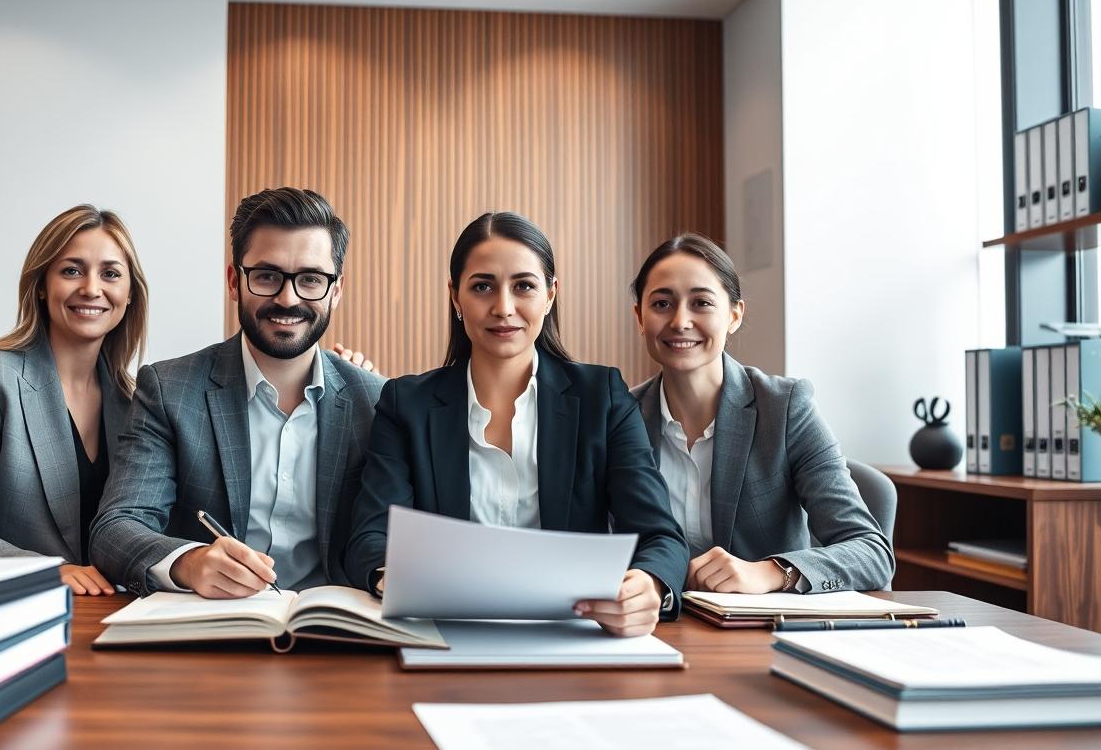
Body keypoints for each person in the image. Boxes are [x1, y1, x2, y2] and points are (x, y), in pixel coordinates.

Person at [344, 212, 689, 637]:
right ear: (455, 297)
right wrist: (390, 576)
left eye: (523, 286)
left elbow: (661, 538)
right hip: (442, 633)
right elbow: (369, 537)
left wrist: (648, 585)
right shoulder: (406, 404)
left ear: (550, 295)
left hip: (573, 637)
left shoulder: (603, 397)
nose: (503, 307)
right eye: (482, 286)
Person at [90, 187, 385, 598]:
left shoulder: (377, 402)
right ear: (234, 281)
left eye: (311, 280)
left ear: (336, 290)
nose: (288, 298)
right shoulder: (168, 390)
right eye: (267, 276)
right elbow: (115, 528)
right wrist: (189, 562)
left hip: (334, 632)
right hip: (211, 629)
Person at [628, 233, 894, 594]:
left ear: (734, 315)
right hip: (659, 625)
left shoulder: (784, 407)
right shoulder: (621, 416)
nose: (680, 321)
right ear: (640, 317)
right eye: (662, 304)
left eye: (702, 303)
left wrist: (771, 573)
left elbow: (872, 553)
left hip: (766, 633)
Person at [0, 205, 149, 596]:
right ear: (42, 284)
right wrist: (47, 571)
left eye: (110, 274)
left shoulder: (138, 401)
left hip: (114, 606)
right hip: (18, 605)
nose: (91, 288)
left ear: (129, 295)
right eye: (71, 270)